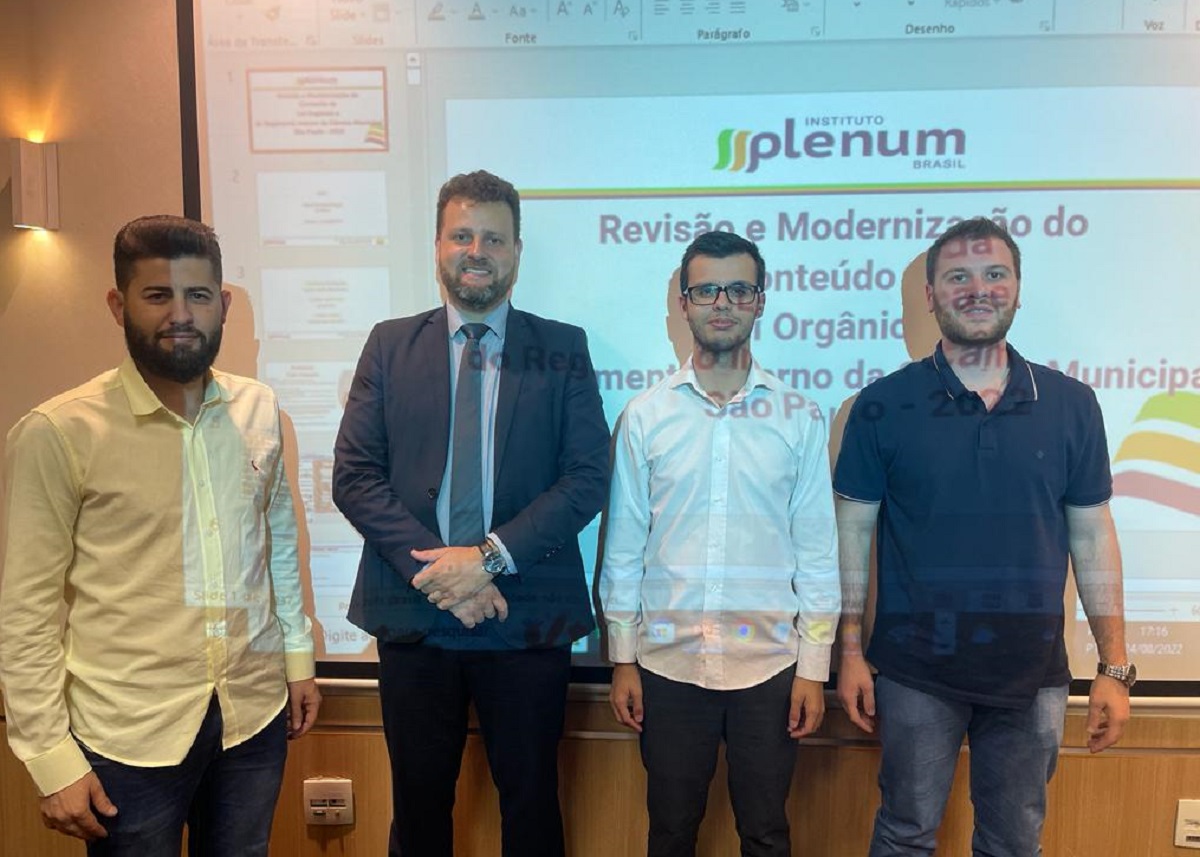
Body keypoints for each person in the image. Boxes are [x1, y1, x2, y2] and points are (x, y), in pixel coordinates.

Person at [0, 215, 320, 856]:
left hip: (251, 715)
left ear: (223, 305)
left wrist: (297, 658)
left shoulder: (258, 408)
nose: (181, 315)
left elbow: (276, 544)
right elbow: (26, 612)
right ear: (118, 305)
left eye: (197, 295)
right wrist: (49, 756)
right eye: (157, 295)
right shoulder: (59, 432)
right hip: (128, 736)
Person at [332, 170, 610, 857]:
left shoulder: (563, 347)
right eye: (461, 235)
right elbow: (355, 476)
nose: (476, 251)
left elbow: (586, 478)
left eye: (493, 238)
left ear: (517, 251)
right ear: (437, 246)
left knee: (532, 808)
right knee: (418, 811)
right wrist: (443, 574)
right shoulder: (389, 345)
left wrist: (486, 559)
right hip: (415, 614)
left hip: (526, 615)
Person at [834, 216, 1132, 856]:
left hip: (1033, 674)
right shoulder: (881, 405)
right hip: (915, 672)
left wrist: (1114, 668)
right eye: (958, 277)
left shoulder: (1072, 403)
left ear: (1018, 290)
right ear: (931, 295)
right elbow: (852, 536)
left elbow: (1092, 537)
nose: (977, 289)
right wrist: (850, 651)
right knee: (906, 834)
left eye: (994, 274)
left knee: (1014, 842)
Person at [600, 230, 840, 857]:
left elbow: (818, 552)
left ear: (760, 301)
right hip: (667, 665)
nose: (723, 303)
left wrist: (814, 669)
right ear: (684, 304)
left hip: (770, 667)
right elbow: (623, 548)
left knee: (766, 835)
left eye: (738, 289)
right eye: (707, 290)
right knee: (670, 833)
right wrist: (622, 659)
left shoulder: (798, 416)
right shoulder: (644, 417)